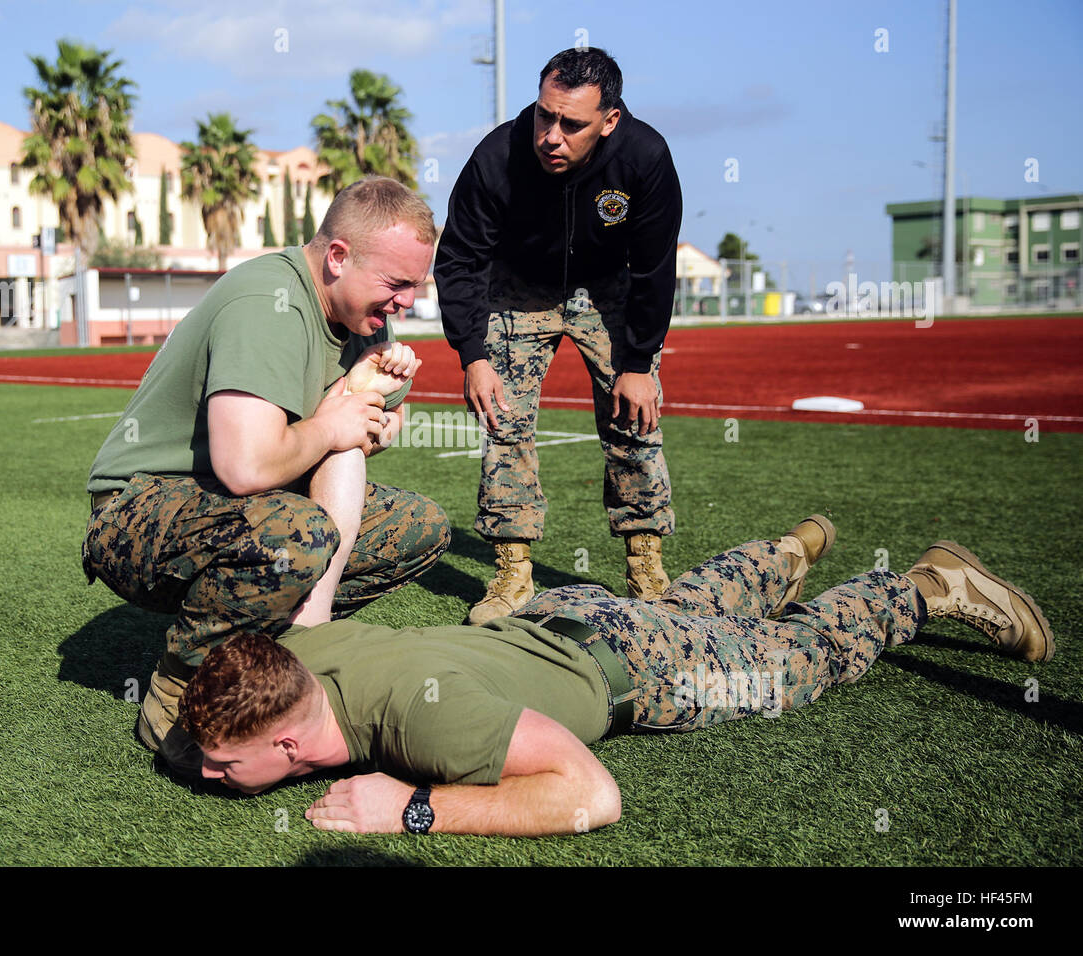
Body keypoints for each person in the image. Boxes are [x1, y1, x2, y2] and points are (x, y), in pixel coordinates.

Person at [176, 515, 1054, 836]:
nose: (205, 773)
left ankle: (926, 586)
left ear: (289, 741)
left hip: (639, 667)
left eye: (224, 764)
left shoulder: (422, 723)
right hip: (579, 615)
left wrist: (412, 808)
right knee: (685, 607)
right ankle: (779, 555)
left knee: (795, 665)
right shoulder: (292, 661)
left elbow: (589, 795)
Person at [81, 177, 451, 772]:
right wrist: (337, 425)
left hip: (230, 504)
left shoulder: (363, 319)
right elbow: (246, 465)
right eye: (396, 284)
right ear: (337, 257)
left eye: (415, 285)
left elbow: (329, 445)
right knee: (296, 535)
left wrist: (362, 430)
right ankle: (181, 686)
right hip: (138, 509)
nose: (406, 302)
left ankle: (283, 643)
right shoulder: (268, 301)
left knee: (418, 525)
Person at [434, 47, 683, 623]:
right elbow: (461, 260)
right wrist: (472, 354)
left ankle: (645, 564)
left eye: (572, 124)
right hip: (520, 286)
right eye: (546, 115)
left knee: (633, 418)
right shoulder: (498, 154)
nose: (551, 135)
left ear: (609, 120)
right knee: (503, 420)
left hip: (608, 287)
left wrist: (639, 364)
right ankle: (512, 572)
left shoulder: (646, 156)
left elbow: (654, 268)